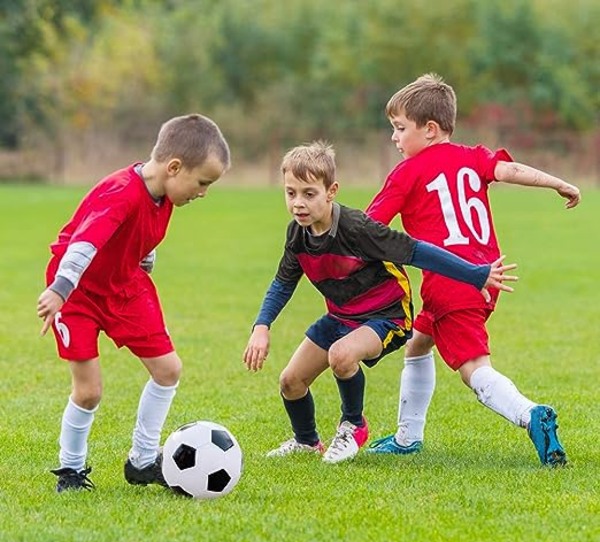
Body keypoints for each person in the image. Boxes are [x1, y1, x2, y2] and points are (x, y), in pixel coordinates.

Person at [243, 141, 517, 464]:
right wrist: (262, 326)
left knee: (341, 355)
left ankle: (353, 425)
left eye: (309, 193)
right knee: (290, 382)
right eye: (291, 193)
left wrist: (475, 274)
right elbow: (283, 282)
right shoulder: (297, 235)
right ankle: (306, 441)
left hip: (387, 315)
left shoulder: (357, 229)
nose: (298, 203)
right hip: (342, 316)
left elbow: (418, 252)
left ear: (331, 191)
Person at [365, 73, 580, 466]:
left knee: (474, 370)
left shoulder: (407, 173)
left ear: (429, 130)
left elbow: (369, 227)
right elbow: (511, 171)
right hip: (485, 274)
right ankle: (407, 436)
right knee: (418, 343)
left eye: (399, 128)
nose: (394, 138)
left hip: (451, 281)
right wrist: (559, 183)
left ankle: (530, 414)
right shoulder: (473, 156)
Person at [37, 114, 231, 492]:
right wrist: (60, 290)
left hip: (125, 287)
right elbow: (84, 244)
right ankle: (71, 470)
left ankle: (142, 461)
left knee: (168, 369)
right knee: (89, 390)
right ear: (174, 167)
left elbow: (139, 236)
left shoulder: (164, 195)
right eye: (202, 182)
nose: (203, 192)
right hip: (77, 292)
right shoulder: (121, 191)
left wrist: (145, 258)